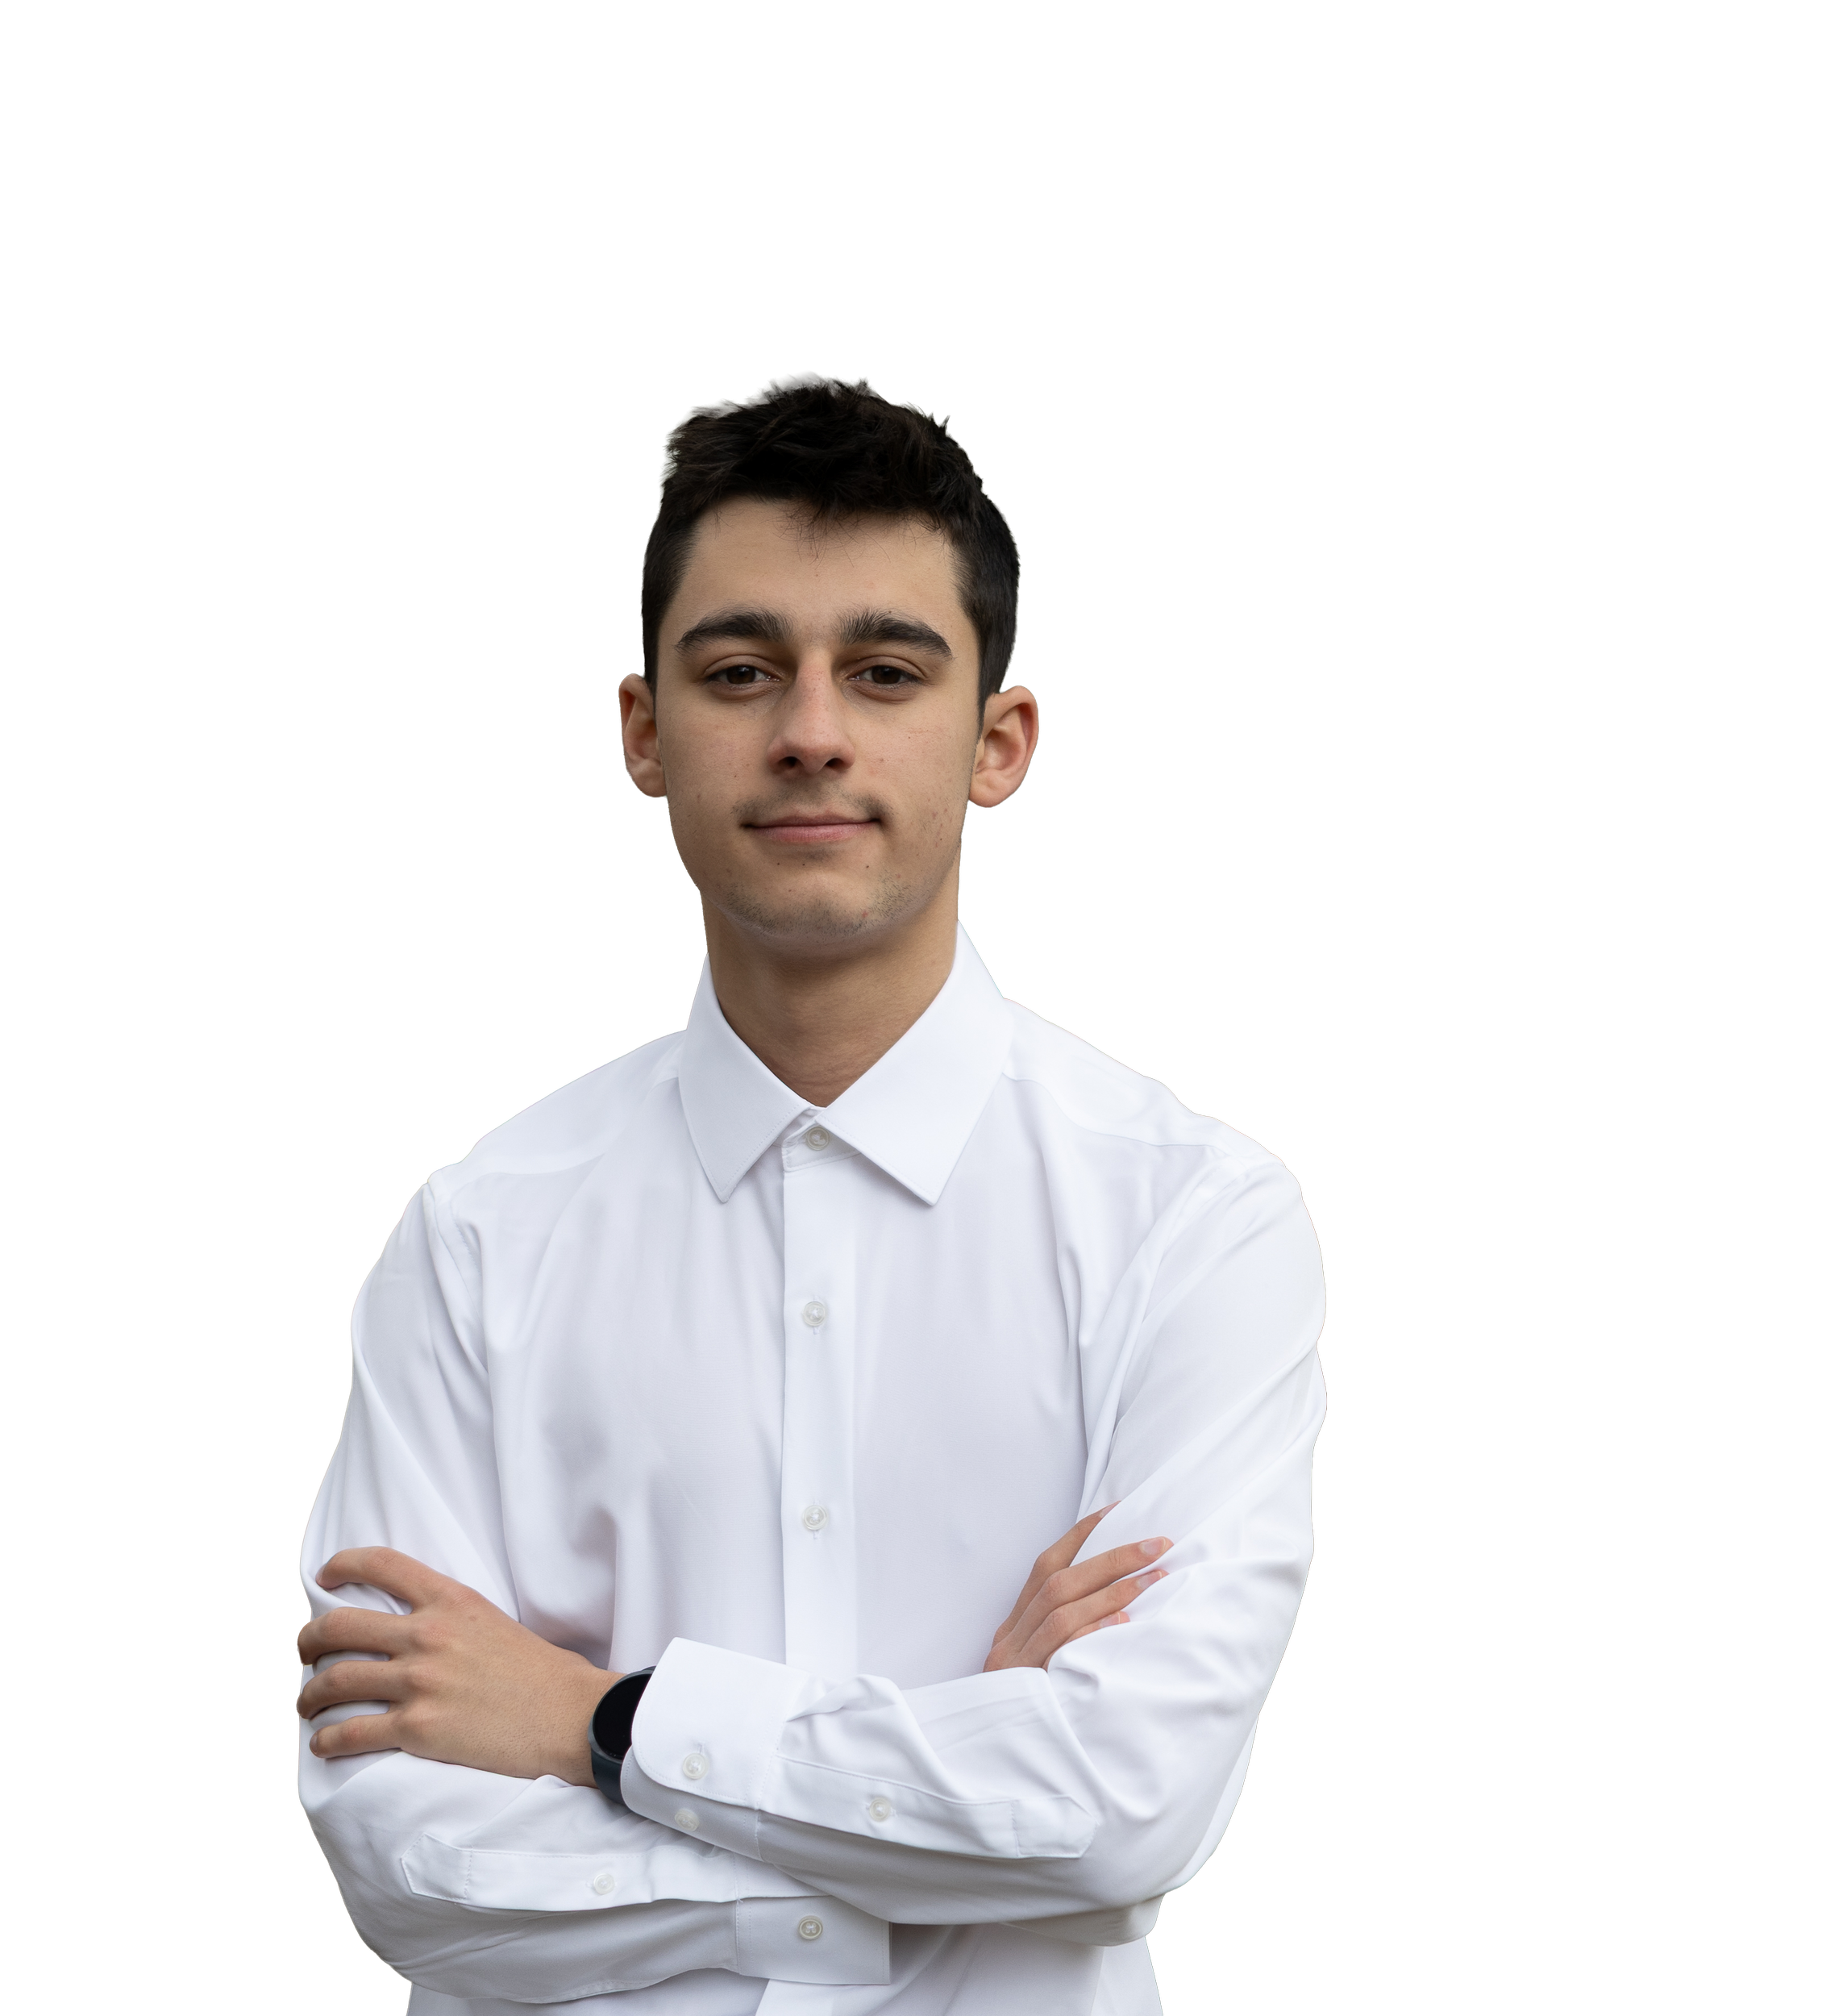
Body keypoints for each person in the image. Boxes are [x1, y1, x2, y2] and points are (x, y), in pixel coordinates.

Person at [297, 373, 1329, 2014]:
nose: (810, 728)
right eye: (739, 669)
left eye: (884, 668)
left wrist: (598, 1724)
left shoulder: (1193, 1220)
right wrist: (946, 1804)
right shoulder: (473, 1235)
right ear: (643, 732)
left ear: (999, 742)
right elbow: (405, 1857)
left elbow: (1127, 1802)